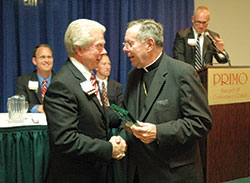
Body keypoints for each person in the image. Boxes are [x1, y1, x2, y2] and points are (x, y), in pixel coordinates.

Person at [121, 19, 212, 183]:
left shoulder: (182, 73)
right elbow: (128, 117)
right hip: (141, 173)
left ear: (149, 44)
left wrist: (158, 132)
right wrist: (122, 136)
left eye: (129, 43)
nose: (125, 49)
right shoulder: (132, 76)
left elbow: (201, 122)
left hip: (174, 175)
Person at [43, 19, 127, 183]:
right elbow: (65, 140)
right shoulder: (63, 84)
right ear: (80, 49)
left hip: (93, 172)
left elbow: (94, 115)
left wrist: (128, 122)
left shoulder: (85, 76)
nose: (104, 52)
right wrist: (109, 148)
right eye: (99, 46)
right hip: (75, 176)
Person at [173, 6, 229, 70]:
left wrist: (220, 51)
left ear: (208, 21)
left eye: (204, 22)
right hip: (187, 76)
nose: (201, 26)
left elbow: (223, 61)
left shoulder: (212, 37)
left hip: (206, 77)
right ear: (192, 19)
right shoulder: (182, 35)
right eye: (198, 22)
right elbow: (179, 59)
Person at [16, 44, 55, 113]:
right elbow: (20, 105)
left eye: (49, 57)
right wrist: (37, 108)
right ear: (34, 61)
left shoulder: (61, 80)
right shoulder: (24, 81)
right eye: (42, 57)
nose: (46, 60)